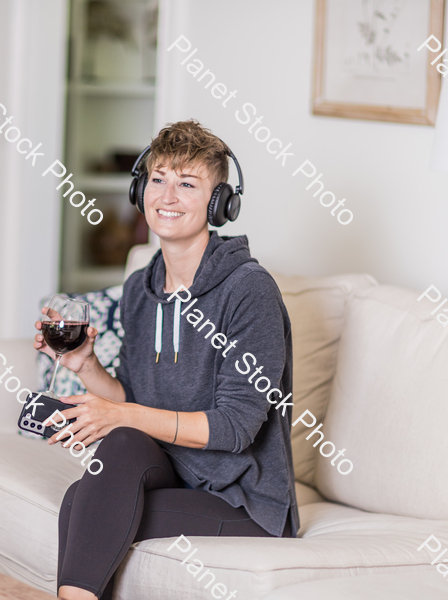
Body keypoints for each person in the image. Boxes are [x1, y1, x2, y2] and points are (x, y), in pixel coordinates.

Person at [33, 119, 298, 600]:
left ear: (220, 204)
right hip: (174, 470)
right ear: (141, 188)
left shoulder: (248, 291)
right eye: (158, 179)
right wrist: (86, 366)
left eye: (188, 184)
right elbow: (133, 402)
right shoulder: (143, 286)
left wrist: (122, 414)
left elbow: (236, 429)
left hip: (240, 501)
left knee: (84, 503)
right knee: (110, 460)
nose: (167, 196)